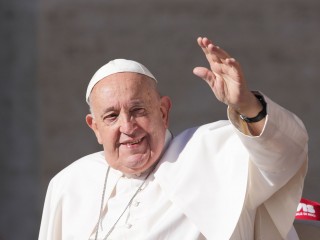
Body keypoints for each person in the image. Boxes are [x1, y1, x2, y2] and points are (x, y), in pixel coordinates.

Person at [38, 37, 308, 240]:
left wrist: (247, 105)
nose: (128, 126)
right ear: (94, 127)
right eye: (111, 116)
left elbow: (285, 154)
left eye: (138, 110)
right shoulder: (69, 185)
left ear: (163, 112)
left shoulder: (214, 152)